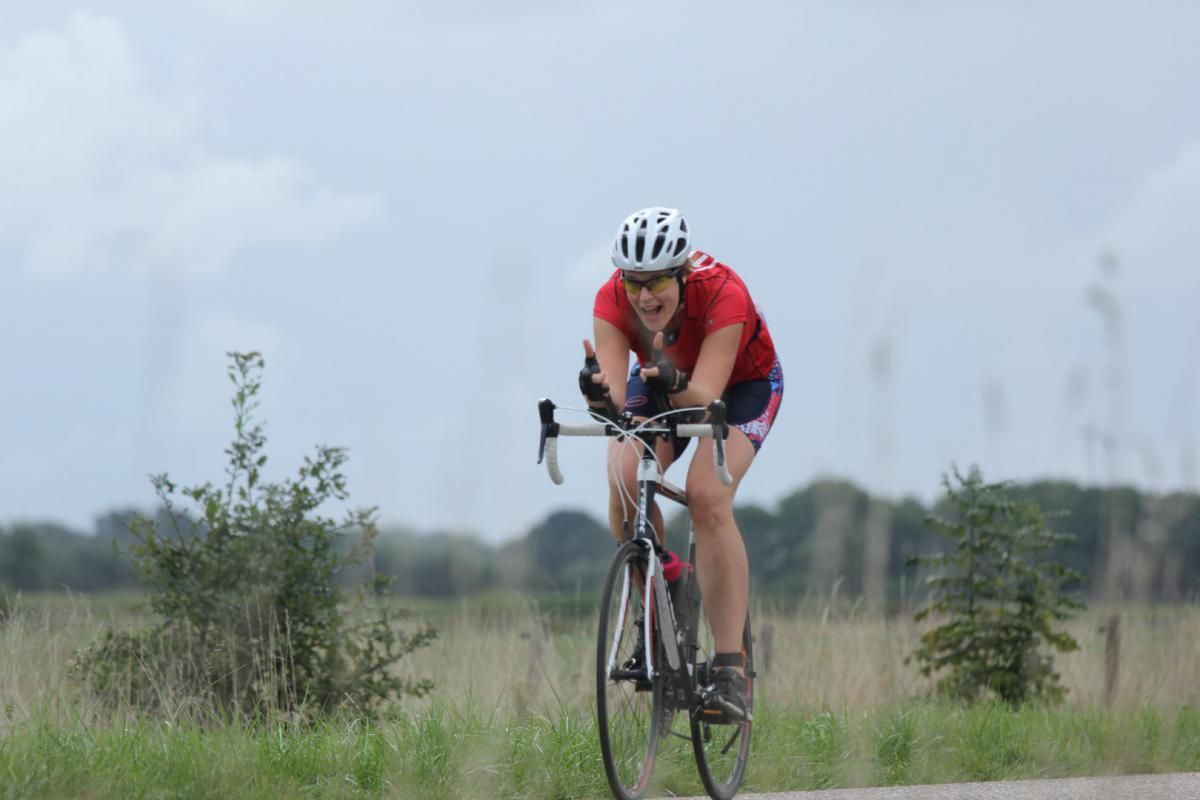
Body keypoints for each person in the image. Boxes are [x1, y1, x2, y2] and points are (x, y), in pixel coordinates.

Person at [578, 206, 783, 721]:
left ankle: (731, 671)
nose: (644, 297)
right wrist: (597, 394)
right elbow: (613, 400)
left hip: (741, 388)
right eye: (633, 282)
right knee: (625, 476)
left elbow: (707, 398)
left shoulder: (724, 293)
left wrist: (671, 379)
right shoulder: (612, 299)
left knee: (707, 496)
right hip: (660, 378)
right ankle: (664, 586)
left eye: (657, 282)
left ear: (684, 273)